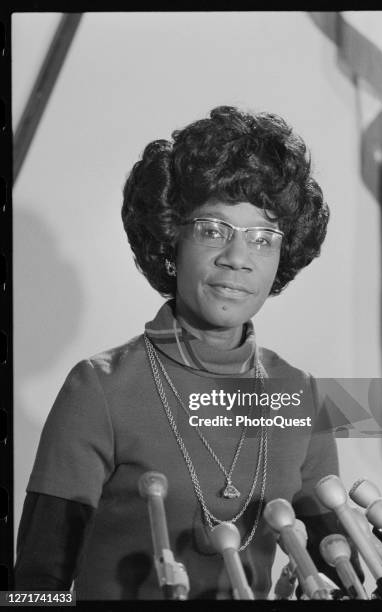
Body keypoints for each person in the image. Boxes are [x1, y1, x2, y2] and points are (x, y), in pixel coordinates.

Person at [14, 106, 362, 599]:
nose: (238, 258)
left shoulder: (300, 395)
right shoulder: (99, 388)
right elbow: (33, 585)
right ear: (171, 237)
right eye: (213, 230)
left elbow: (345, 572)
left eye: (263, 238)